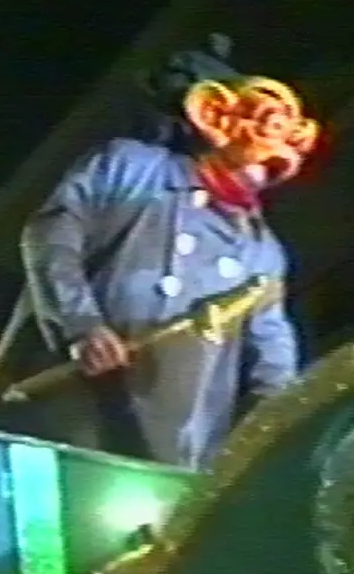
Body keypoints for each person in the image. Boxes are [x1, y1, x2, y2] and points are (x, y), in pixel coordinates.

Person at [20, 33, 319, 469]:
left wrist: (270, 436)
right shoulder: (130, 168)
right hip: (76, 404)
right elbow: (53, 235)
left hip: (176, 446)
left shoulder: (262, 251)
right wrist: (81, 325)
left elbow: (272, 359)